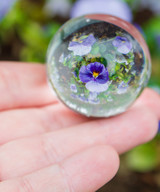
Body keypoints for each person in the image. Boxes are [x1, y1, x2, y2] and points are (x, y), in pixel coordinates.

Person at [0, 62, 159, 192]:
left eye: (96, 74)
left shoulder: (97, 77)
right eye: (94, 74)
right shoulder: (90, 76)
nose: (95, 76)